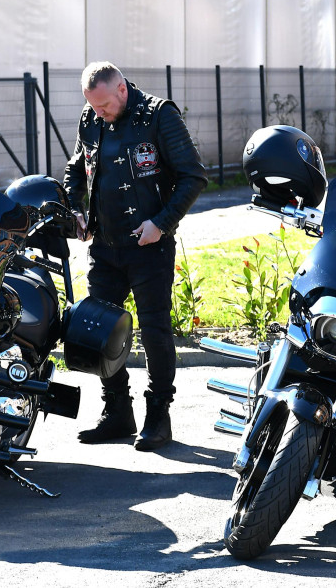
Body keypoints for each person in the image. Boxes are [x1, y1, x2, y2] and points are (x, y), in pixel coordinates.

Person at [63, 61, 207, 451]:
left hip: (149, 247)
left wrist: (161, 223)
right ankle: (117, 412)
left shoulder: (159, 115)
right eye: (93, 106)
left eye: (105, 105)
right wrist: (77, 211)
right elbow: (76, 169)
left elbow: (193, 176)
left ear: (122, 89)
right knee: (97, 328)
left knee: (154, 330)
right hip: (105, 246)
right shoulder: (91, 118)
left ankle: (158, 416)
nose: (99, 113)